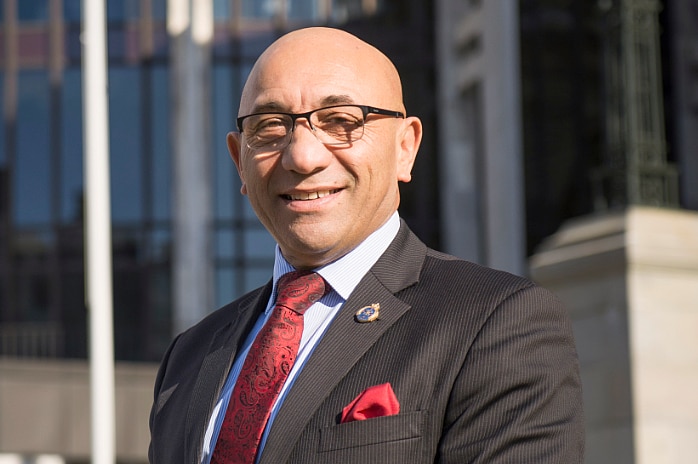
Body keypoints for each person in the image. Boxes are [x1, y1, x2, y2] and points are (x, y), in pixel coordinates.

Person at [149, 27, 584, 463]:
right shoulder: (189, 357)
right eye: (270, 126)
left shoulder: (496, 325)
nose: (302, 156)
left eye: (341, 121)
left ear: (405, 148)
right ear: (238, 160)